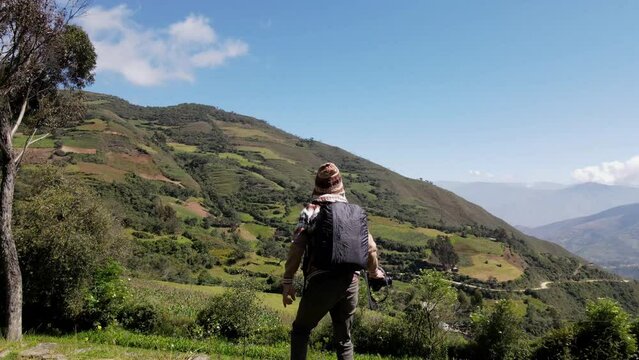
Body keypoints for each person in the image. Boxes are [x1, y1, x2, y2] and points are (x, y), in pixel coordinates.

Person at [282, 162, 384, 360]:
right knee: (344, 340)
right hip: (350, 283)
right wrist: (374, 273)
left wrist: (287, 281)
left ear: (318, 186)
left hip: (322, 282)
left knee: (301, 330)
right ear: (340, 186)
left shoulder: (311, 211)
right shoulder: (352, 213)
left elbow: (297, 246)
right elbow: (371, 248)